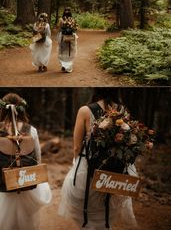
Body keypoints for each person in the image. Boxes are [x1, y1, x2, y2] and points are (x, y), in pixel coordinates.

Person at [58, 88, 138, 230]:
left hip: (89, 166)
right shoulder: (123, 110)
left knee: (86, 206)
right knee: (108, 206)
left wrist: (77, 164)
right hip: (115, 167)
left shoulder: (85, 110)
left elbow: (77, 147)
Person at [0, 92, 52, 230]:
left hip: (2, 179)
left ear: (2, 108)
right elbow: (37, 157)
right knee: (25, 220)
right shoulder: (31, 130)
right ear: (21, 108)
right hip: (26, 178)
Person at [57, 7, 78, 73]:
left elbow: (75, 28)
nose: (67, 11)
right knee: (63, 50)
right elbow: (59, 28)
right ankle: (63, 65)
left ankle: (68, 66)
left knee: (70, 50)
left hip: (70, 36)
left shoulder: (72, 20)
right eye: (66, 10)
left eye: (68, 10)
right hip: (63, 36)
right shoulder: (61, 19)